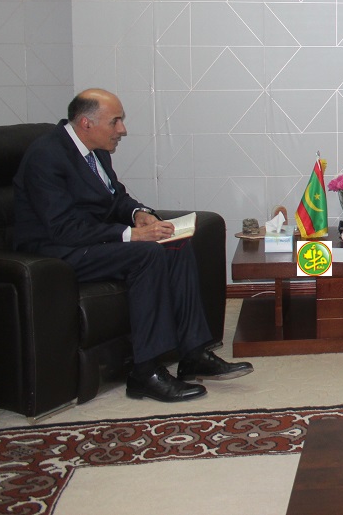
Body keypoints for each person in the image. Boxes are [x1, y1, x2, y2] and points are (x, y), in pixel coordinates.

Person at [13, 88, 253, 403]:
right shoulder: (47, 156)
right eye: (115, 121)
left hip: (91, 241)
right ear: (86, 123)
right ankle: (145, 373)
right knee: (147, 254)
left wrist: (138, 214)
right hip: (54, 253)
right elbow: (63, 229)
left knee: (174, 243)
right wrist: (131, 235)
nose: (122, 129)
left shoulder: (95, 151)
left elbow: (116, 198)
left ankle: (194, 353)